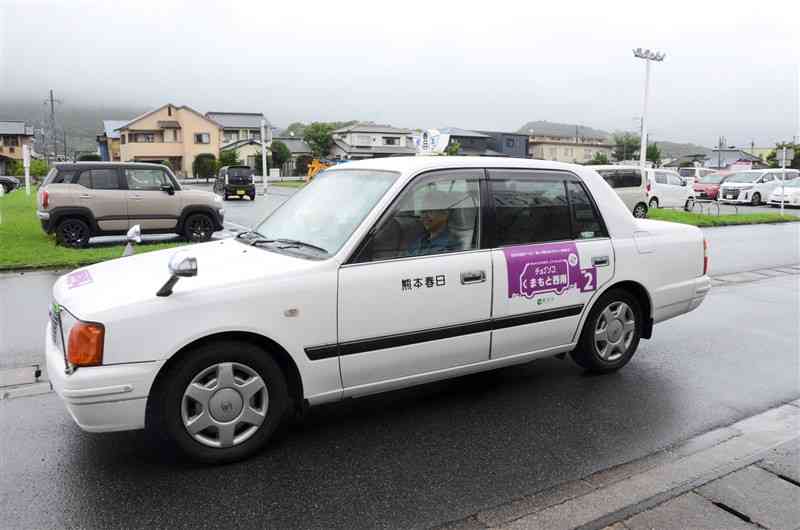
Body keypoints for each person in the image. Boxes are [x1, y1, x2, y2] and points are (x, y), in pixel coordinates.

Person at [408, 189, 458, 256]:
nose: (423, 217)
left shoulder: (450, 247)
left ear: (445, 213)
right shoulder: (421, 239)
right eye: (422, 211)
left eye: (429, 211)